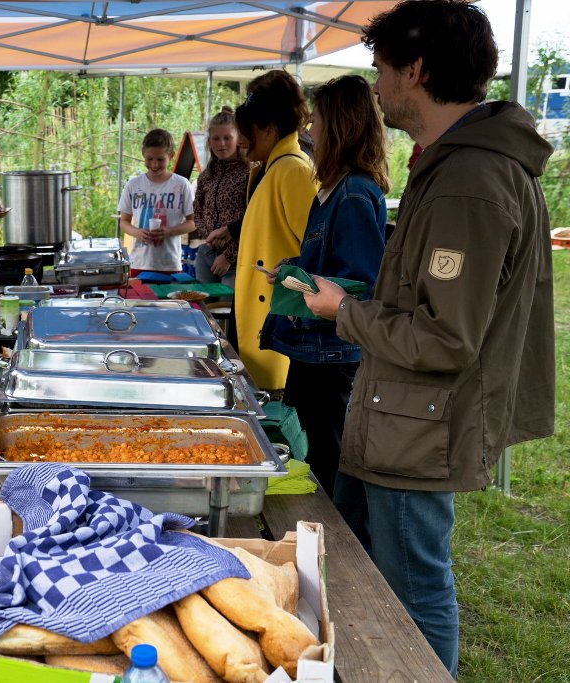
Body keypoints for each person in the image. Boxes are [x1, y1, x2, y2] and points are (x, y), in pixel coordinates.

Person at [303, 1, 555, 675]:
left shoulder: (469, 182)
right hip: (399, 415)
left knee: (414, 592)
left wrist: (343, 311)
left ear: (414, 71)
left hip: (419, 426)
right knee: (371, 575)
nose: (377, 86)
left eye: (382, 69)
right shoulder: (452, 167)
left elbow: (445, 337)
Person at [258, 75, 389, 499]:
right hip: (315, 350)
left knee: (329, 458)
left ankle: (337, 531)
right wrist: (294, 269)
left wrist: (309, 282)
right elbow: (329, 262)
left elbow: (360, 282)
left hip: (333, 353)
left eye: (316, 119)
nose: (310, 128)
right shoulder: (333, 190)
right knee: (315, 449)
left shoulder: (353, 194)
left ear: (339, 126)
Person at [233, 70, 318, 391]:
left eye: (247, 131)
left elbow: (315, 253)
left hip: (279, 326)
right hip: (262, 317)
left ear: (269, 128)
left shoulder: (293, 170)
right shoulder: (271, 168)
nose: (241, 140)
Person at [117, 128, 196, 277]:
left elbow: (193, 222)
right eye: (149, 159)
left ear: (171, 156)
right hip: (139, 263)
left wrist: (170, 231)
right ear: (143, 155)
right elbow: (124, 222)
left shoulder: (181, 184)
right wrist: (137, 232)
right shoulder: (133, 185)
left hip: (169, 264)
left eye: (160, 159)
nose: (154, 164)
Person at [192, 106, 249, 291]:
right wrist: (210, 236)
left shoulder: (250, 172)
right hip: (207, 253)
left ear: (238, 139)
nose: (221, 144)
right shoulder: (207, 175)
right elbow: (198, 210)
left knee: (226, 306)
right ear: (209, 141)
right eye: (216, 138)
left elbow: (254, 219)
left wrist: (229, 256)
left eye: (227, 138)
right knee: (202, 306)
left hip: (237, 259)